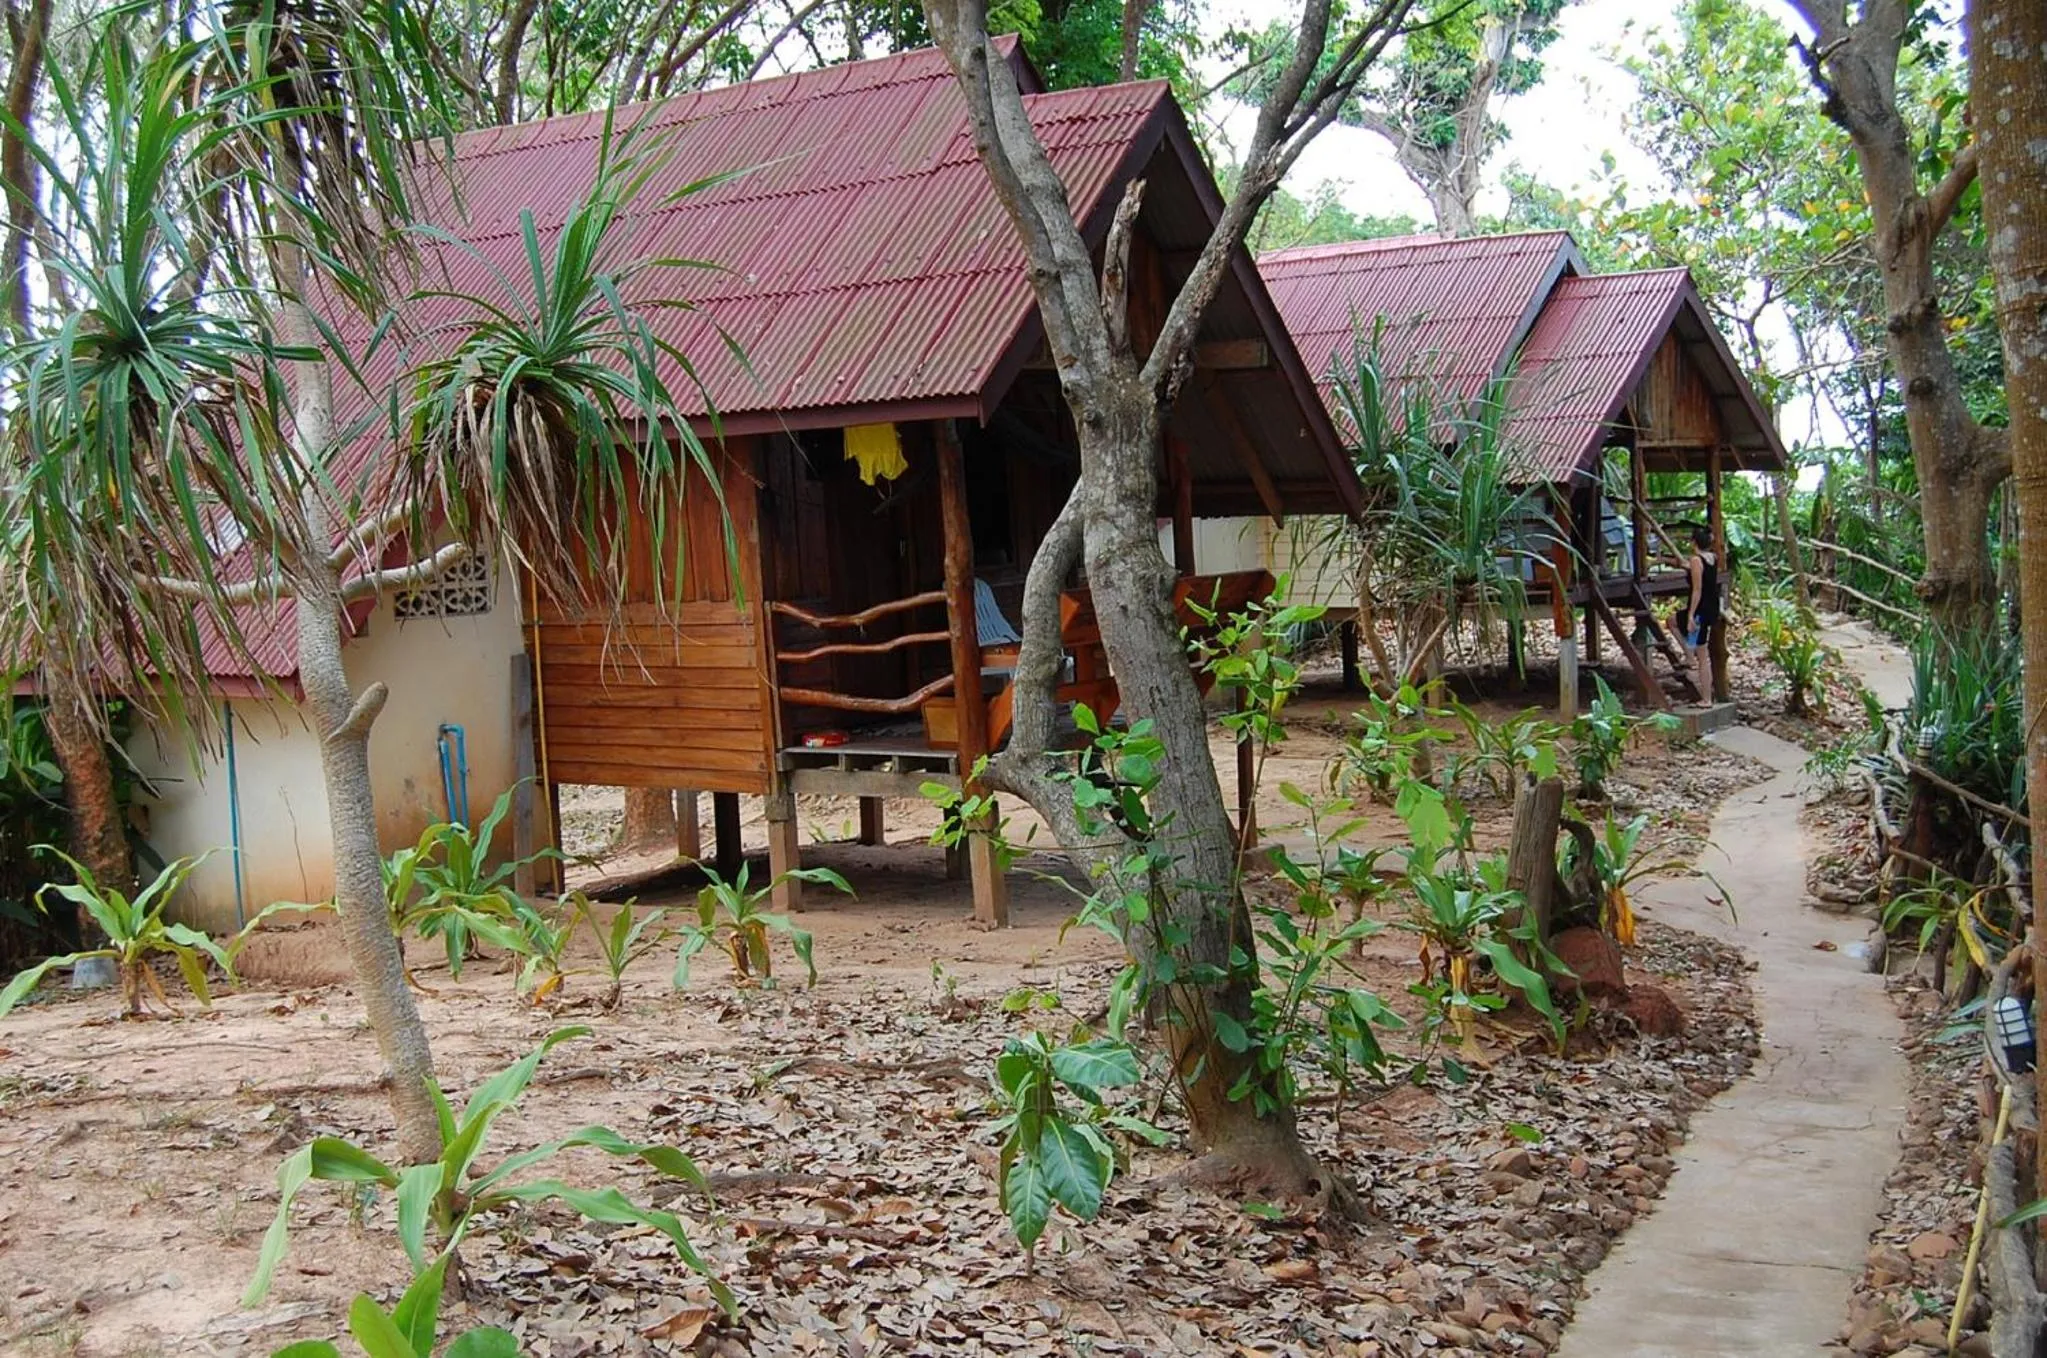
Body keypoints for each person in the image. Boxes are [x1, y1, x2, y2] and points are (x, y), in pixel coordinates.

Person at [1681, 525, 1721, 700]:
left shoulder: (1696, 560)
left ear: (1693, 542)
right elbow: (1699, 571)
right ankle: (1689, 657)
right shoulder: (1712, 557)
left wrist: (1691, 615)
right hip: (1711, 607)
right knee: (1672, 622)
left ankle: (1706, 699)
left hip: (1700, 609)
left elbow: (1697, 589)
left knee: (1702, 654)